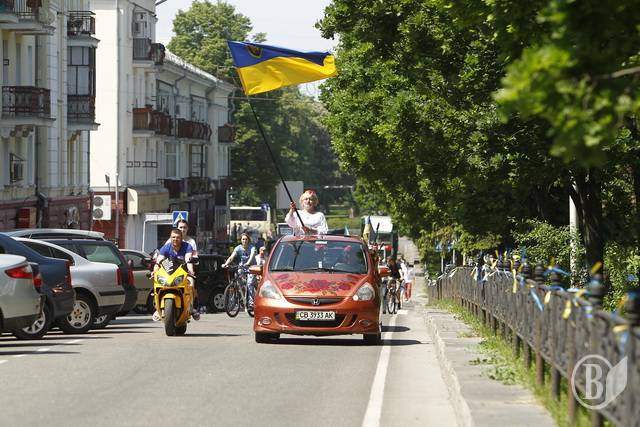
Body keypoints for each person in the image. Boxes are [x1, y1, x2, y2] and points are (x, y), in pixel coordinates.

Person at [153, 228, 199, 321]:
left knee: (191, 284)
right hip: (168, 273)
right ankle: (157, 308)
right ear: (170, 238)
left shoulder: (187, 246)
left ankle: (191, 308)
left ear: (181, 238)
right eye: (173, 237)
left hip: (182, 272)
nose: (175, 239)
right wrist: (155, 271)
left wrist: (190, 271)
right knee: (156, 283)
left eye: (178, 237)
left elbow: (188, 260)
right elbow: (159, 261)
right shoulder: (166, 247)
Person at [222, 232, 257, 309]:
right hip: (242, 267)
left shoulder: (252, 247)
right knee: (237, 278)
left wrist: (248, 263)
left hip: (252, 268)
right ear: (241, 240)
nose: (244, 241)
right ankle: (240, 296)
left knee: (249, 283)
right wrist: (226, 264)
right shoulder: (238, 248)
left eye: (246, 239)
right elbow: (231, 257)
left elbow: (252, 256)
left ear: (248, 240)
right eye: (243, 239)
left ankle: (251, 302)